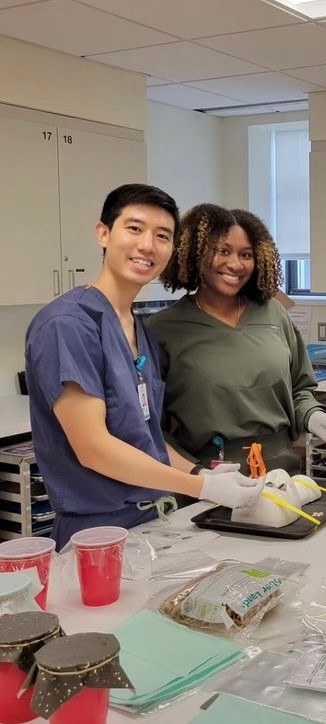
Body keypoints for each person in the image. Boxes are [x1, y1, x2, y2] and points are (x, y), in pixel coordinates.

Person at [25, 185, 263, 548]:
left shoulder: (139, 330)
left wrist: (202, 473)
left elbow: (145, 438)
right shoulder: (67, 325)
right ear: (103, 233)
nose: (148, 245)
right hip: (97, 535)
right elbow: (94, 447)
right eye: (134, 229)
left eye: (162, 236)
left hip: (152, 521)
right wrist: (201, 487)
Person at [146, 204, 326, 473]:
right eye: (223, 251)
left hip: (282, 472)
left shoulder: (273, 314)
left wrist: (313, 416)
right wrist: (196, 474)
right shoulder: (164, 329)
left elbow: (300, 389)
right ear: (196, 254)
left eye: (246, 254)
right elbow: (151, 426)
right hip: (210, 476)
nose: (235, 264)